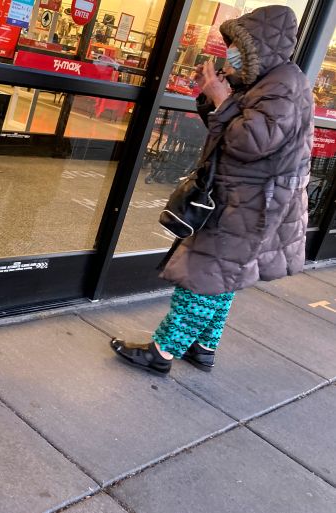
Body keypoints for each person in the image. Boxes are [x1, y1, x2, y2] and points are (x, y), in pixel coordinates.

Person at [111, 5, 314, 375]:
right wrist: (216, 95)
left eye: (239, 45)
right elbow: (228, 126)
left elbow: (252, 141)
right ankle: (204, 346)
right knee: (222, 275)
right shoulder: (268, 80)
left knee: (203, 276)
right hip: (246, 199)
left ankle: (163, 352)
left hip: (252, 203)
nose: (231, 51)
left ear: (259, 47)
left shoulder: (283, 86)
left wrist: (223, 100)